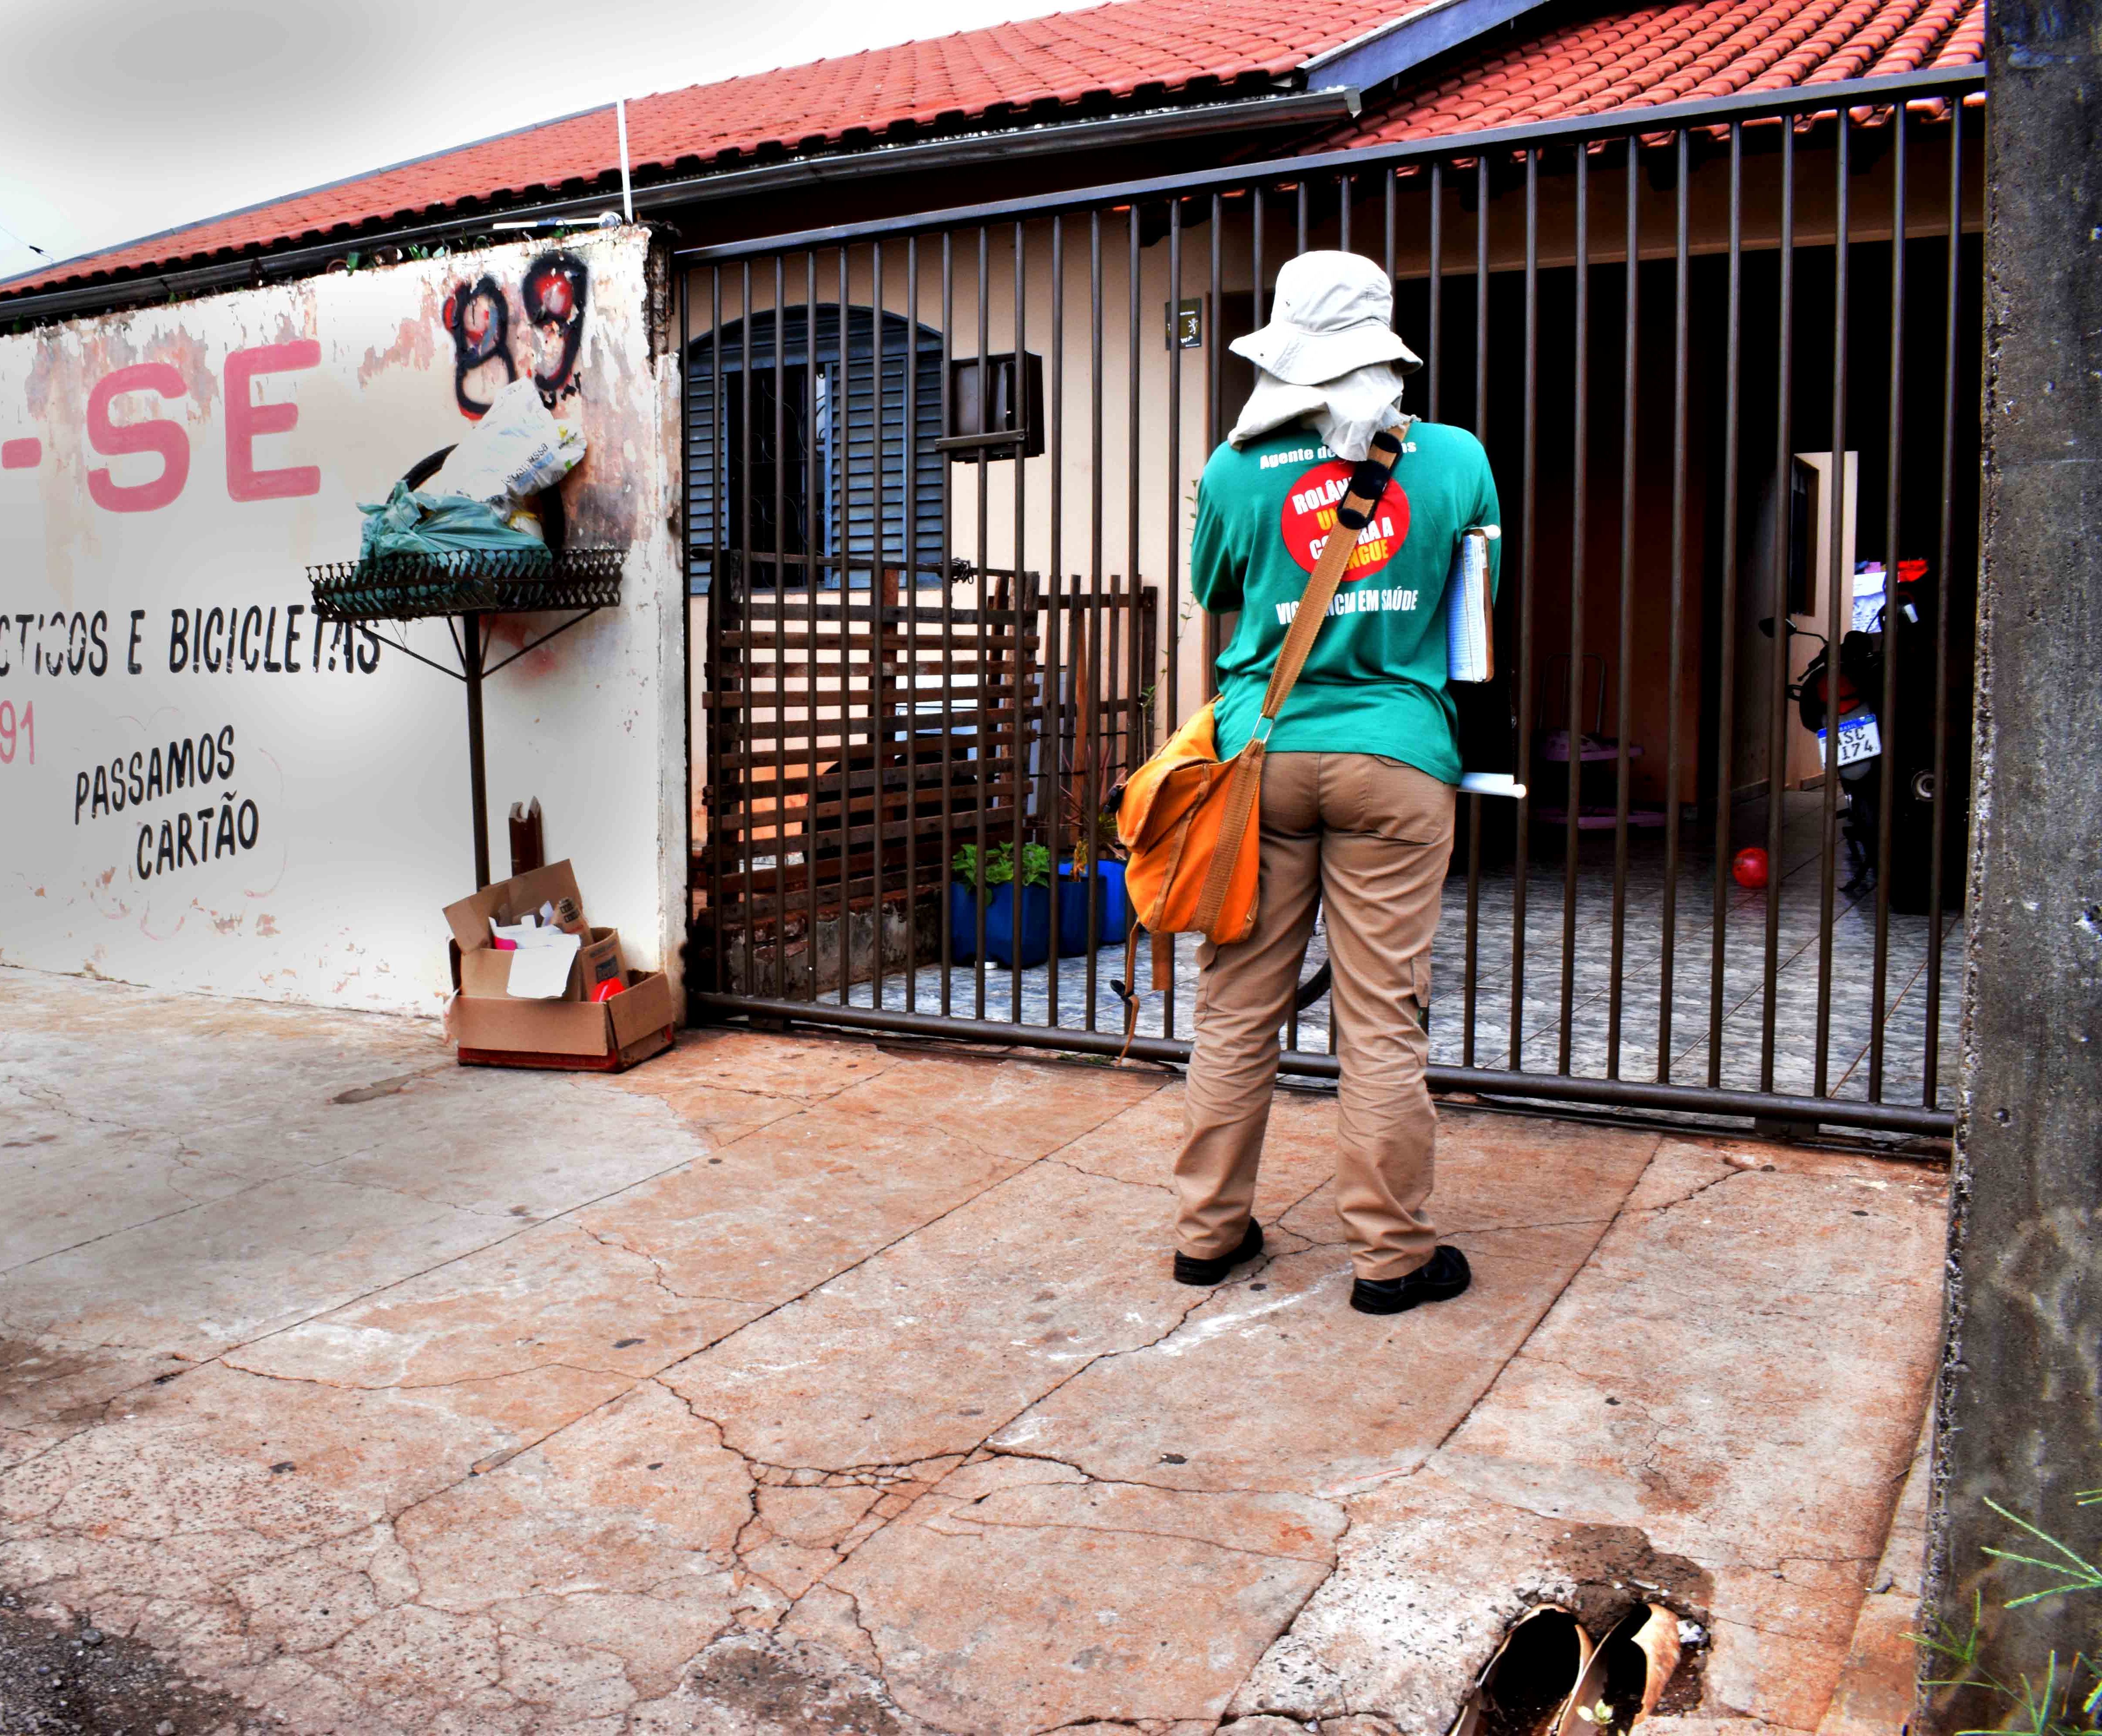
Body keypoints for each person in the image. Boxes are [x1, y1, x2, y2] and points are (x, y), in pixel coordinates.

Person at [1172, 250, 1500, 1316]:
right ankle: (1391, 1258)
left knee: (1235, 1007)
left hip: (1260, 758)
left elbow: (1215, 588)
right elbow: (1475, 618)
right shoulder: (1456, 459)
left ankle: (1207, 1234)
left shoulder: (1234, 469)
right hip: (1397, 758)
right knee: (1381, 1019)